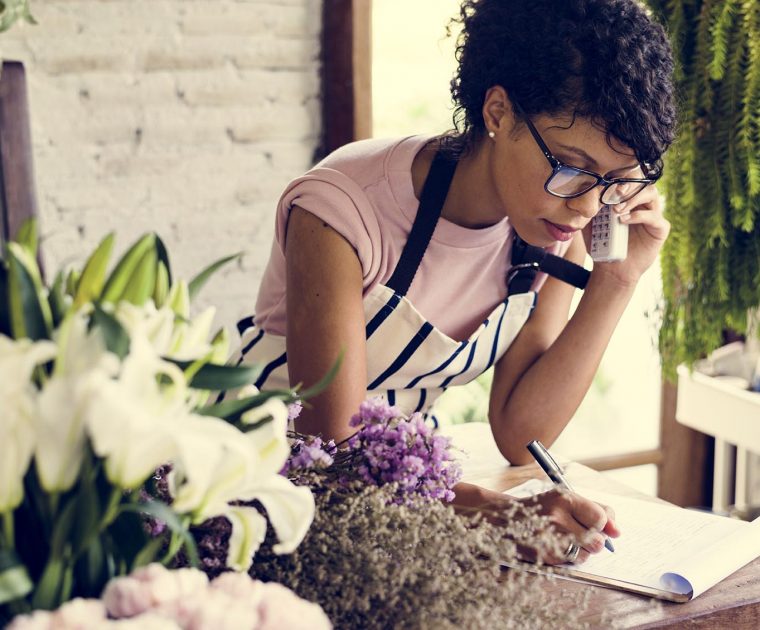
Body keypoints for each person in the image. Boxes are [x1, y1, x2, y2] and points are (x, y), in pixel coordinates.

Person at [234, 0, 676, 565]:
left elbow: (522, 433)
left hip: (408, 513)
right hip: (266, 493)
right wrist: (497, 513)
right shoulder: (341, 210)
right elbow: (333, 454)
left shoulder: (552, 225)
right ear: (498, 112)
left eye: (615, 181)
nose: (589, 206)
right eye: (570, 166)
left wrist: (617, 278)